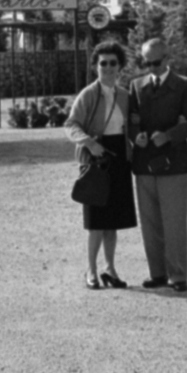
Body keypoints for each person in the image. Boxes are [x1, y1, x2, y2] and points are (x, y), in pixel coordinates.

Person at [65, 40, 137, 290]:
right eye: (103, 63)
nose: (108, 67)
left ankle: (110, 269)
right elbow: (71, 124)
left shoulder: (125, 95)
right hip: (96, 159)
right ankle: (91, 270)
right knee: (96, 221)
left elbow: (132, 126)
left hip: (118, 159)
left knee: (113, 220)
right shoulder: (88, 94)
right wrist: (89, 143)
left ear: (120, 66)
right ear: (96, 66)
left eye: (112, 63)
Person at [128, 37, 187, 291]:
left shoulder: (184, 85)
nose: (152, 68)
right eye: (147, 63)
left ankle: (178, 275)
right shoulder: (136, 86)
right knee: (150, 223)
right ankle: (157, 273)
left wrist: (168, 135)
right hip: (145, 163)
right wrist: (136, 135)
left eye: (156, 62)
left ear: (167, 59)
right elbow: (131, 121)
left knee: (175, 222)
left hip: (173, 164)